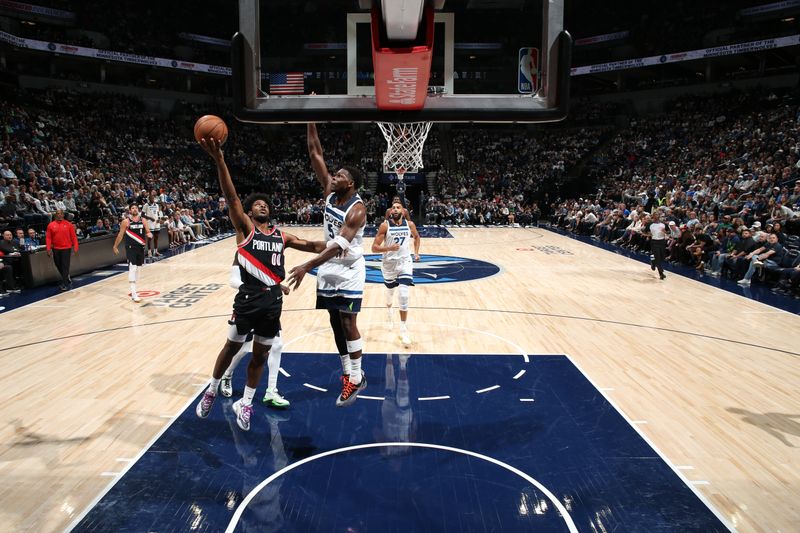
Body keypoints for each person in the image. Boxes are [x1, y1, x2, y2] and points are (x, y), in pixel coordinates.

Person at [194, 136, 327, 431]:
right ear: (250, 213)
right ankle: (212, 389)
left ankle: (248, 403)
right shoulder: (245, 230)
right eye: (256, 204)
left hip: (272, 302)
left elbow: (313, 245)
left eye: (265, 203)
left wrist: (342, 241)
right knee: (231, 348)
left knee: (260, 355)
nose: (261, 205)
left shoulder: (282, 236)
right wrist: (219, 160)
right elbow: (231, 197)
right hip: (247, 298)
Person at [286, 123, 368, 408]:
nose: (335, 176)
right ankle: (347, 373)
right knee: (334, 322)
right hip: (330, 268)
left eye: (341, 175)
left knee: (348, 322)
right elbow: (314, 152)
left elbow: (337, 246)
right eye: (335, 174)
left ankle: (357, 378)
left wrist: (307, 265)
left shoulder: (357, 209)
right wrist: (311, 119)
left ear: (351, 183)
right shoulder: (330, 193)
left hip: (348, 269)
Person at [220, 252, 290, 409]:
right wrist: (251, 289)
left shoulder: (269, 251)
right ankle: (227, 374)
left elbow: (267, 280)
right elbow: (233, 281)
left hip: (268, 305)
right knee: (244, 348)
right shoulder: (242, 253)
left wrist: (278, 286)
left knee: (277, 345)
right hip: (248, 305)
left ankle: (271, 391)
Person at [372, 199, 421, 345]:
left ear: (403, 211)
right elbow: (374, 248)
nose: (394, 209)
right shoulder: (384, 226)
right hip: (389, 264)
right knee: (390, 294)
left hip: (405, 262)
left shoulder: (410, 224)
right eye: (393, 208)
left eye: (398, 207)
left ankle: (404, 329)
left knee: (404, 293)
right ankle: (389, 310)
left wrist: (416, 253)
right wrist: (388, 248)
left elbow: (417, 237)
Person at [112, 204, 153, 303]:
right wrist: (115, 246)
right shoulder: (126, 222)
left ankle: (134, 288)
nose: (134, 209)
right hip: (130, 248)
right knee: (132, 268)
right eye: (132, 208)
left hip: (140, 248)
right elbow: (120, 235)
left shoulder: (143, 220)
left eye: (136, 208)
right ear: (130, 210)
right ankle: (134, 294)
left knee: (138, 269)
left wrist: (149, 234)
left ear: (138, 210)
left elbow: (148, 231)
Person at [45, 209, 79, 290]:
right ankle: (66, 277)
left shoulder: (68, 224)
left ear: (63, 215)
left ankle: (64, 284)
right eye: (57, 213)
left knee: (65, 266)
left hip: (66, 248)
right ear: (55, 215)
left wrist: (76, 247)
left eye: (60, 213)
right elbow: (48, 238)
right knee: (58, 264)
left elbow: (74, 236)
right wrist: (48, 249)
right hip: (56, 248)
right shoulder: (50, 225)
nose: (59, 215)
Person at [647, 212, 677, 280]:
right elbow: (645, 232)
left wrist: (665, 232)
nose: (657, 216)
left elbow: (669, 232)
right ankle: (661, 274)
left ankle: (652, 261)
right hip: (654, 242)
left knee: (661, 257)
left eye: (658, 214)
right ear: (653, 216)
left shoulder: (663, 224)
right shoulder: (650, 224)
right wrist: (648, 234)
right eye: (655, 214)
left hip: (662, 242)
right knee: (657, 257)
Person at [142, 192, 163, 258]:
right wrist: (150, 218)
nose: (152, 199)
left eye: (153, 198)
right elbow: (142, 215)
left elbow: (158, 213)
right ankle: (149, 252)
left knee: (156, 237)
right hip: (150, 223)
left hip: (156, 222)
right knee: (150, 238)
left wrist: (159, 219)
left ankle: (155, 251)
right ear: (149, 199)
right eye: (151, 198)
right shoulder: (146, 205)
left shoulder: (156, 205)